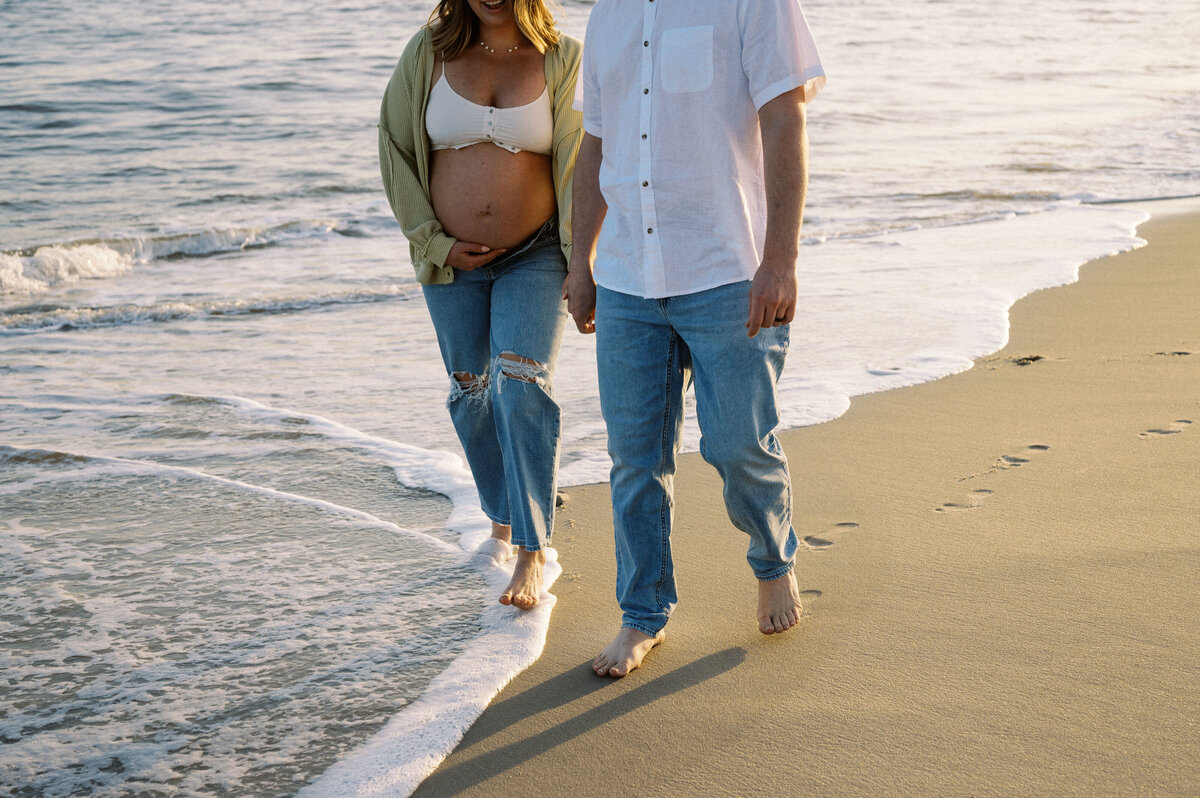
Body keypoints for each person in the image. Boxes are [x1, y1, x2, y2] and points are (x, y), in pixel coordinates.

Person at [565, 0, 825, 676]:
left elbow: (784, 118)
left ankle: (772, 560)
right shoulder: (608, 16)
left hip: (727, 271)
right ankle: (642, 614)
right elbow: (595, 143)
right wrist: (580, 264)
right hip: (626, 276)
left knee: (739, 443)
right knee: (634, 462)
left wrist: (781, 260)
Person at [378, 0, 583, 609]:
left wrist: (583, 263)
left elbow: (579, 163)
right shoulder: (429, 52)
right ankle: (502, 515)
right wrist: (434, 241)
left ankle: (531, 549)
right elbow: (395, 149)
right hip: (451, 257)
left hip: (539, 252)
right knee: (470, 392)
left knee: (521, 384)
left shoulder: (563, 59)